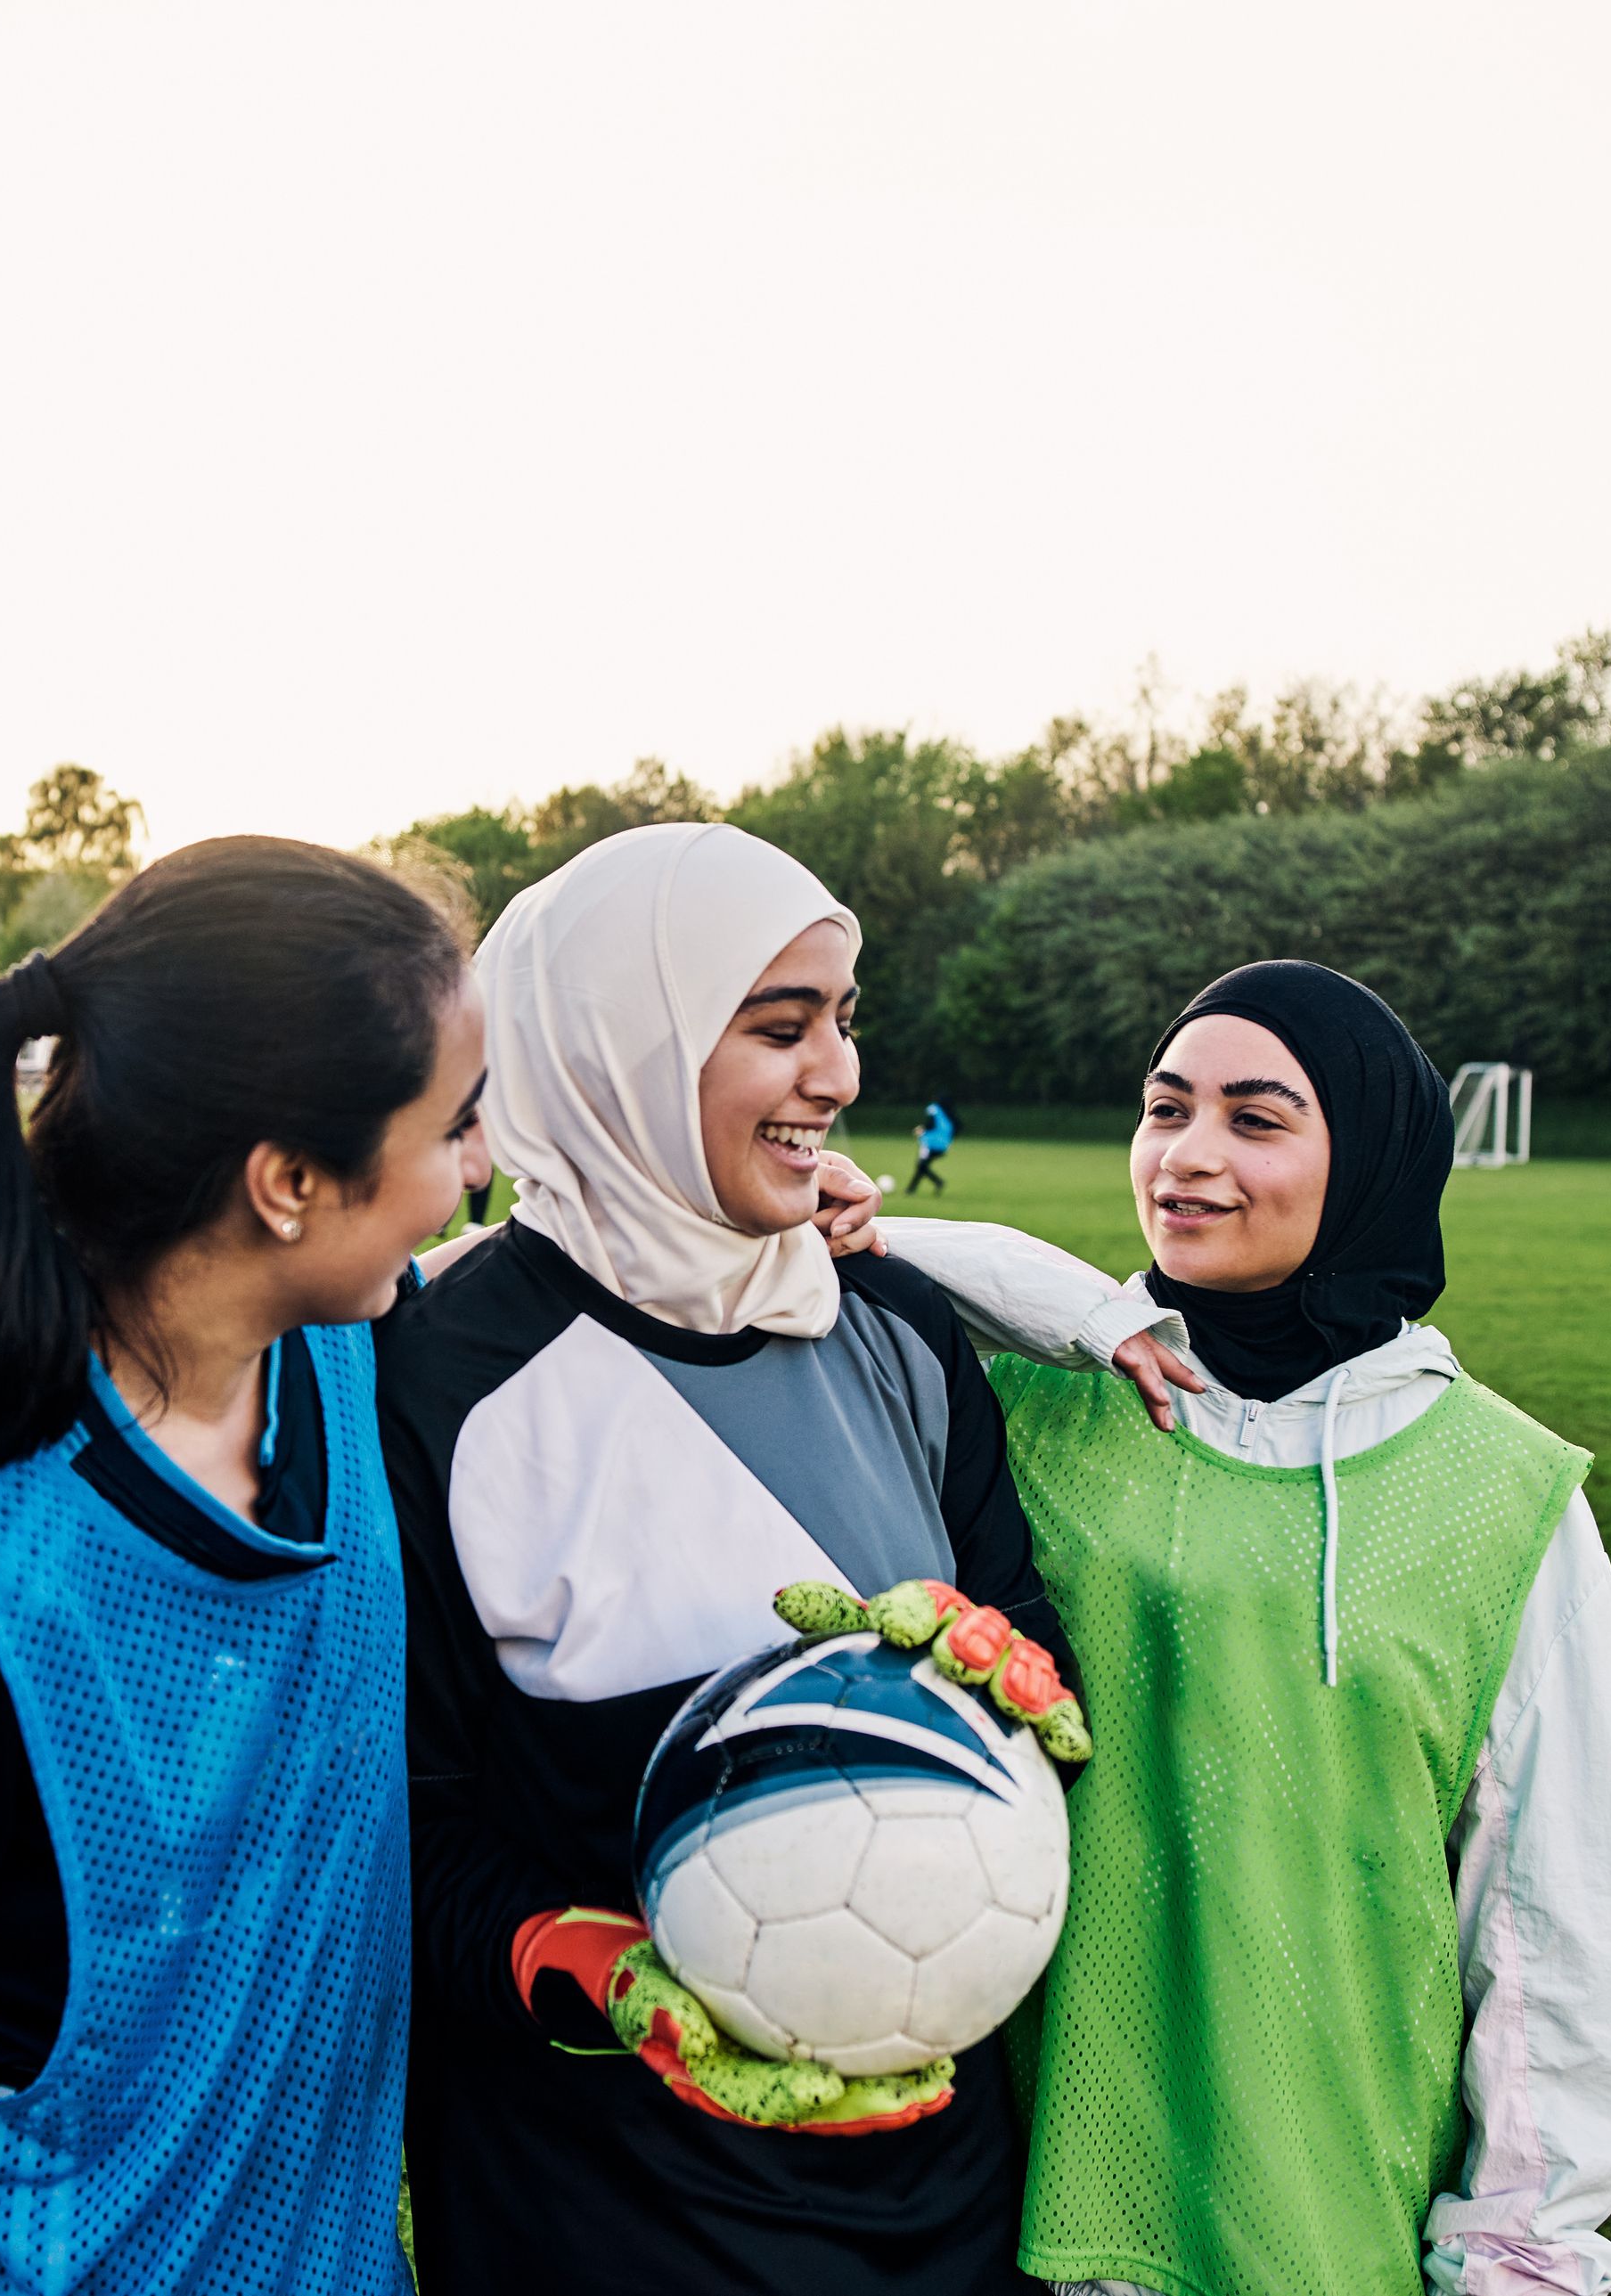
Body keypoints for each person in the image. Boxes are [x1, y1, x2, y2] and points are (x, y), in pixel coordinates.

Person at [0, 838, 487, 2296]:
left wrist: (834, 1236)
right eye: (455, 1126)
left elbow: (515, 1278)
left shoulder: (335, 1352)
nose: (479, 1169)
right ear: (287, 1182)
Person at [846, 961, 1611, 2296]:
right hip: (1004, 2199)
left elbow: (1543, 1921)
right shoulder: (1019, 1405)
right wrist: (1075, 1312)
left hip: (1316, 2212)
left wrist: (1522, 2253)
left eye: (1255, 1120)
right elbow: (808, 1252)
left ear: (1371, 1161)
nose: (1186, 1155)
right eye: (1166, 1109)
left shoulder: (1509, 1496)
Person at [381, 821, 1075, 2296]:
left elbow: (1031, 1664)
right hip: (594, 2212)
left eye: (842, 1020)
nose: (839, 1072)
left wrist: (1011, 1683)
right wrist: (575, 1962)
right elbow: (398, 1825)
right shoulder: (436, 1383)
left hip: (939, 2199)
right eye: (779, 1026)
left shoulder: (899, 1329)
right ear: (618, 1046)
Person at [906, 1098, 957, 1194]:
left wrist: (921, 1130)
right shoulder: (949, 1114)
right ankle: (911, 1189)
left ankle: (938, 1182)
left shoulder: (934, 1109)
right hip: (943, 1147)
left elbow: (931, 1123)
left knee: (922, 1165)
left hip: (930, 1144)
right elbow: (955, 1127)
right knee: (922, 1165)